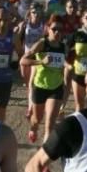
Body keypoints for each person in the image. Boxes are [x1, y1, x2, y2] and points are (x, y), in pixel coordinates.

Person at [21, 14, 68, 145]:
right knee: (37, 119)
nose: (57, 32)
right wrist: (41, 61)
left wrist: (67, 68)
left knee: (50, 125)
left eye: (60, 30)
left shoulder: (63, 47)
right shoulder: (42, 44)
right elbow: (23, 60)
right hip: (40, 86)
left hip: (56, 88)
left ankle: (45, 158)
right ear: (48, 29)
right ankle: (33, 128)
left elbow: (64, 65)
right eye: (54, 29)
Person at [18, 6, 46, 116]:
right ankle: (31, 102)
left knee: (31, 82)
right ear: (30, 13)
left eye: (38, 12)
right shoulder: (25, 24)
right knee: (27, 82)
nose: (36, 14)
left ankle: (30, 108)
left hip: (37, 56)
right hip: (26, 56)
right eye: (34, 12)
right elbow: (18, 39)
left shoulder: (43, 26)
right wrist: (20, 29)